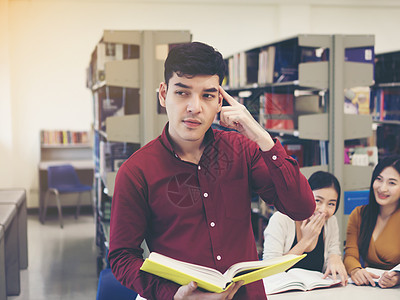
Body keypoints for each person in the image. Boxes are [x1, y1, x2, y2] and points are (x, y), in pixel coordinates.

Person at [107, 41, 316, 300]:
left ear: (220, 101)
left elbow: (302, 208)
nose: (195, 107)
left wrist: (262, 138)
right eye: (182, 93)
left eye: (207, 95)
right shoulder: (137, 171)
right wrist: (173, 294)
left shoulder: (243, 150)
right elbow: (121, 256)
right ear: (163, 94)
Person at [344, 155, 400, 288]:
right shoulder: (359, 214)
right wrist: (355, 270)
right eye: (379, 179)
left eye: (392, 183)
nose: (382, 188)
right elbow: (350, 255)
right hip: (370, 289)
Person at [263, 171, 348, 285]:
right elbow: (269, 269)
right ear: (305, 196)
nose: (323, 210)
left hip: (317, 292)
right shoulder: (281, 219)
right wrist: (305, 241)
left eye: (331, 204)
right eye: (318, 201)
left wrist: (334, 257)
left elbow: (334, 252)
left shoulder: (331, 222)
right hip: (283, 291)